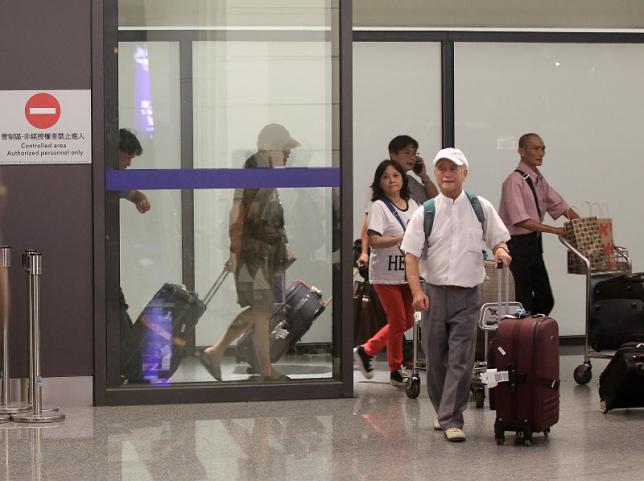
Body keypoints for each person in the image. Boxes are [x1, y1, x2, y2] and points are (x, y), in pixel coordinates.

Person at [402, 147, 511, 442]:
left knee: (461, 358)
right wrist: (415, 292)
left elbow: (499, 239)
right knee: (435, 358)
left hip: (467, 295)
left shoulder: (480, 207)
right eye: (442, 168)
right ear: (436, 174)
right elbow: (411, 256)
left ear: (465, 173)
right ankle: (443, 410)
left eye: (454, 168)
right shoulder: (425, 212)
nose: (447, 173)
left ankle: (452, 418)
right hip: (433, 293)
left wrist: (501, 250)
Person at [197, 123, 299, 381]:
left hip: (261, 252)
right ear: (271, 146)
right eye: (285, 149)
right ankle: (225, 354)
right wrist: (234, 250)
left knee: (261, 309)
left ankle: (223, 354)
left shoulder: (264, 172)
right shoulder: (254, 170)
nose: (288, 155)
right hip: (253, 253)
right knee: (261, 308)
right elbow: (237, 210)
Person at [353, 160, 420, 387]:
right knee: (398, 319)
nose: (391, 180)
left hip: (407, 274)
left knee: (408, 319)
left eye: (395, 175)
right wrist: (403, 237)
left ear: (403, 179)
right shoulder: (378, 207)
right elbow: (375, 240)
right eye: (385, 177)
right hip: (384, 274)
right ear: (379, 183)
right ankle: (395, 368)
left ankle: (367, 350)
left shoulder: (413, 204)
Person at [498, 133, 579, 316]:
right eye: (535, 148)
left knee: (545, 298)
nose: (541, 153)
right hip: (517, 245)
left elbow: (559, 205)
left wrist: (584, 224)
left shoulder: (538, 179)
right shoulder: (514, 181)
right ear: (521, 151)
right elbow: (521, 220)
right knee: (523, 299)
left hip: (534, 244)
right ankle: (525, 336)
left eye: (543, 148)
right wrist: (555, 230)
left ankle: (533, 332)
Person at [356, 135, 438, 268]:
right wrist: (364, 252)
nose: (412, 158)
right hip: (388, 261)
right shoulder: (382, 185)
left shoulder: (411, 182)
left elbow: (435, 201)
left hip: (411, 258)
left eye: (414, 153)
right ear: (392, 155)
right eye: (407, 153)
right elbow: (368, 223)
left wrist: (424, 177)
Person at [117, 128, 151, 383]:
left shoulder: (112, 176)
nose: (129, 163)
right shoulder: (98, 172)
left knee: (117, 305)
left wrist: (139, 196)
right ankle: (132, 367)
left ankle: (131, 366)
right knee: (116, 307)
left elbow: (128, 192)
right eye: (127, 156)